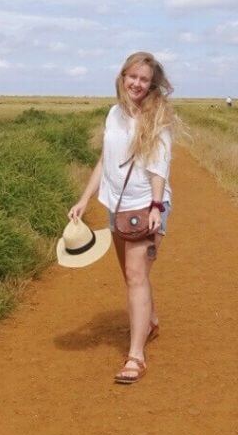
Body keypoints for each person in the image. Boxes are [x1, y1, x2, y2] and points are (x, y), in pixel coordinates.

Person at [68, 51, 175, 384]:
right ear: (122, 76)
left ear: (152, 84)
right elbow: (106, 159)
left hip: (144, 205)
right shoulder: (114, 114)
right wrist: (86, 199)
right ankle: (151, 320)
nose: (137, 84)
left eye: (144, 79)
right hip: (117, 206)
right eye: (133, 76)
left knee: (135, 276)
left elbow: (160, 166)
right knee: (132, 275)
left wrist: (157, 207)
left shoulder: (156, 117)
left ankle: (136, 357)